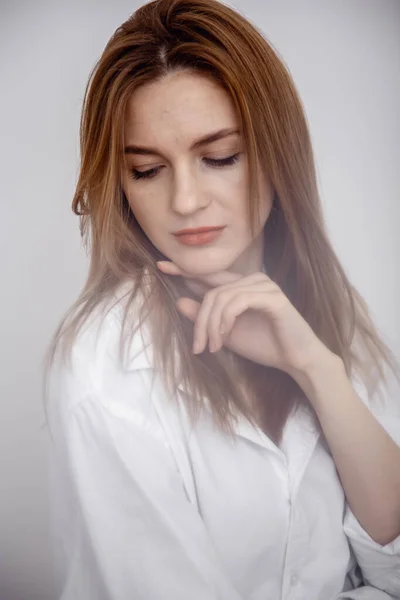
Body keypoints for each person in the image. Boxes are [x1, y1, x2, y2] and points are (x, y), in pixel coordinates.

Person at [44, 0, 400, 598]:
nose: (186, 200)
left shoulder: (330, 312)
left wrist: (317, 369)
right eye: (148, 170)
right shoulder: (104, 370)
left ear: (276, 152)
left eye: (220, 157)